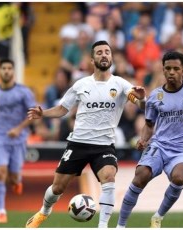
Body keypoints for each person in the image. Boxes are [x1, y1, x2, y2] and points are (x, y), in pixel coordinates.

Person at [25, 40, 146, 228]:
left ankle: (103, 226)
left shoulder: (121, 84)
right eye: (99, 52)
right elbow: (62, 109)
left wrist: (142, 98)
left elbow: (139, 103)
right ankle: (44, 212)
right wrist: (44, 113)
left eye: (107, 52)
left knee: (109, 176)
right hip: (78, 143)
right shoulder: (81, 84)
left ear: (112, 57)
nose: (104, 55)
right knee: (57, 188)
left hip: (104, 145)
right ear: (92, 60)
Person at [116, 51, 183, 228]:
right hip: (159, 145)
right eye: (168, 68)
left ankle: (157, 217)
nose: (171, 72)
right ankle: (120, 226)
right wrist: (143, 139)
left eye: (176, 68)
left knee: (179, 177)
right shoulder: (155, 96)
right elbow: (149, 125)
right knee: (140, 176)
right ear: (163, 70)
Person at [0, 58, 36, 223]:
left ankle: (17, 181)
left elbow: (33, 114)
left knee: (13, 177)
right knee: (0, 171)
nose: (7, 71)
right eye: (4, 68)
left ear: (13, 71)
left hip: (18, 139)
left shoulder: (23, 92)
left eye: (10, 68)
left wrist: (18, 128)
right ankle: (1, 211)